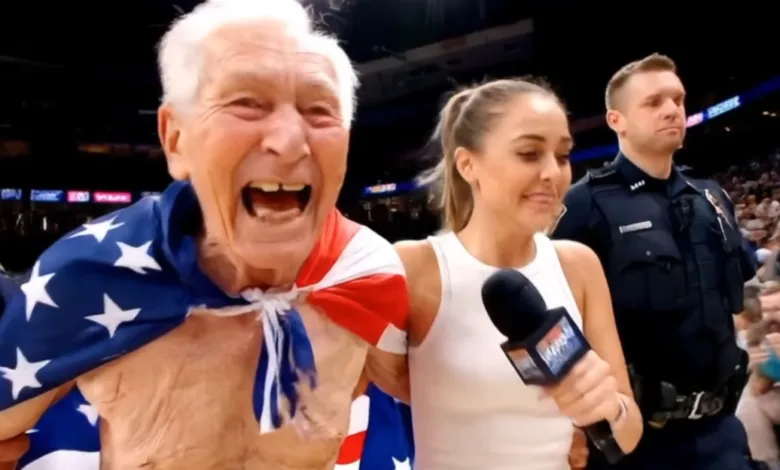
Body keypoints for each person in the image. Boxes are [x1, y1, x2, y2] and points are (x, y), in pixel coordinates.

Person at [0, 0, 413, 469]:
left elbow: (431, 401)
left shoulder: (366, 271)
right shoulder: (87, 277)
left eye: (319, 111)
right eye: (247, 104)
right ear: (175, 139)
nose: (290, 141)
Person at [368, 78, 643, 469]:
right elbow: (388, 381)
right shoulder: (413, 269)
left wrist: (609, 407)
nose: (553, 173)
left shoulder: (579, 265)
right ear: (468, 165)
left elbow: (628, 435)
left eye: (563, 156)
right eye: (529, 154)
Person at [552, 53, 756, 470]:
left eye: (678, 100)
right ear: (617, 120)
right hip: (637, 443)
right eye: (653, 102)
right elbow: (558, 326)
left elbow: (735, 297)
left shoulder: (712, 198)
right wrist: (569, 422)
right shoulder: (583, 205)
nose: (671, 110)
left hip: (721, 430)